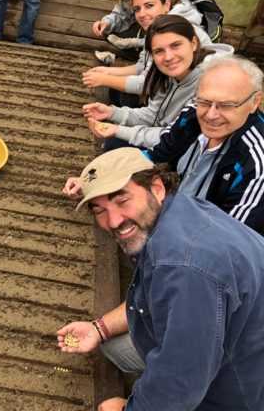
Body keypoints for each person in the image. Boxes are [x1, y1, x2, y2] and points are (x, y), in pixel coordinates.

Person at [57, 147, 264, 410]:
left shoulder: (184, 267)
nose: (113, 221)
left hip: (240, 389)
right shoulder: (179, 211)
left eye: (122, 200)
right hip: (232, 340)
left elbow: (179, 385)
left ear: (156, 188)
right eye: (100, 210)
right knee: (114, 348)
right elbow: (152, 299)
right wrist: (99, 328)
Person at [146, 56, 264, 234]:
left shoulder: (256, 162)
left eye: (226, 105)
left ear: (254, 102)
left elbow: (230, 237)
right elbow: (156, 155)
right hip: (171, 211)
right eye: (204, 102)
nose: (210, 115)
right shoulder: (192, 112)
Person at [83, 14, 232, 150]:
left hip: (194, 150)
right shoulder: (167, 74)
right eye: (159, 51)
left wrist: (118, 130)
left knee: (115, 143)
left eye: (176, 45)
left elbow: (174, 138)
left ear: (193, 43)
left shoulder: (210, 85)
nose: (168, 57)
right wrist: (112, 112)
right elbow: (153, 115)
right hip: (171, 136)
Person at [84, 0, 214, 108]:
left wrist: (104, 79)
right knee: (118, 92)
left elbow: (146, 85)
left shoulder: (176, 28)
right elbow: (142, 66)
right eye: (137, 9)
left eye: (149, 6)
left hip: (202, 97)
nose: (142, 14)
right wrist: (108, 71)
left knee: (126, 97)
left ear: (166, 5)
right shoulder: (157, 27)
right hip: (174, 90)